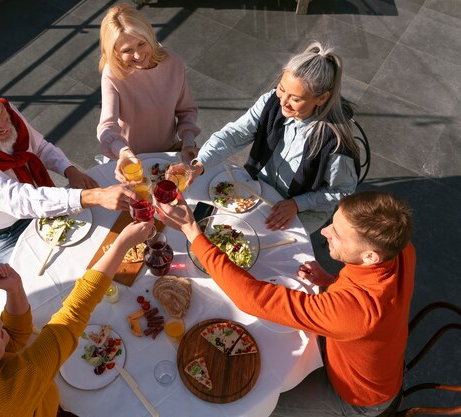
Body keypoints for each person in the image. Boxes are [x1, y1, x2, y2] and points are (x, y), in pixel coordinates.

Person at [155, 191, 415, 417]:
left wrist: (193, 233)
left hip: (359, 396)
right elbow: (370, 291)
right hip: (376, 359)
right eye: (331, 223)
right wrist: (331, 280)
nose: (324, 232)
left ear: (370, 256)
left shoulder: (354, 313)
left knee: (256, 406)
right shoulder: (402, 250)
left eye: (336, 234)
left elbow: (252, 298)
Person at [0, 220, 155, 417]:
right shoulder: (10, 392)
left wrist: (14, 290)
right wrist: (121, 245)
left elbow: (12, 338)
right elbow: (73, 315)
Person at [0, 75, 135, 263]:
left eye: (0, 112)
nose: (4, 125)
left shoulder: (5, 110)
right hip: (9, 234)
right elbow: (21, 200)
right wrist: (96, 196)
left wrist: (70, 171)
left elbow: (39, 147)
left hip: (43, 203)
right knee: (48, 284)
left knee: (101, 246)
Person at [190, 41, 360, 233]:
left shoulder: (334, 143)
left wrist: (298, 204)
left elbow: (343, 190)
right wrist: (199, 164)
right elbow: (235, 134)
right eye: (281, 89)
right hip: (260, 186)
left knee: (257, 239)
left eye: (295, 99)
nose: (283, 102)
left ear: (321, 99)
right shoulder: (271, 102)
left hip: (305, 208)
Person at [97, 3, 201, 179]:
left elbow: (187, 110)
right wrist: (122, 152)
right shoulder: (112, 75)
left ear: (150, 36)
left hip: (168, 153)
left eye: (141, 44)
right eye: (127, 50)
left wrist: (188, 141)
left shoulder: (173, 63)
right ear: (114, 52)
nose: (138, 55)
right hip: (131, 160)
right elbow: (107, 127)